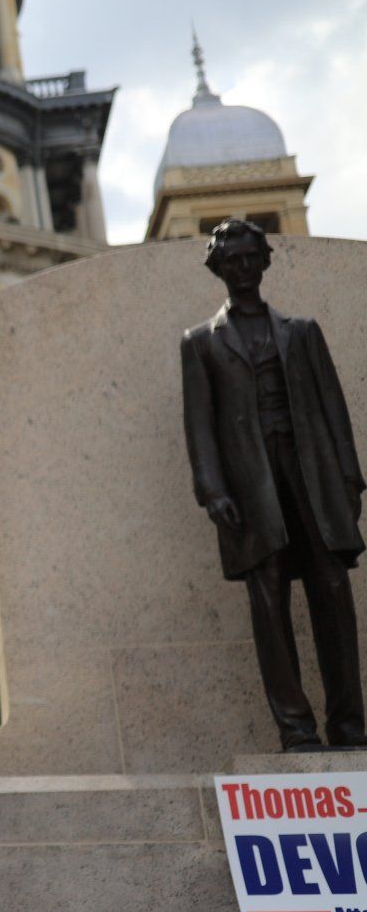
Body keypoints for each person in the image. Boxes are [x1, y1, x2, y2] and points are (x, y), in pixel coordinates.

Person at [181, 216, 367, 750]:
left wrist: (351, 481)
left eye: (249, 257)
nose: (241, 267)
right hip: (249, 488)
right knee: (268, 600)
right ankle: (296, 728)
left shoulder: (302, 332)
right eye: (231, 260)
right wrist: (212, 491)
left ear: (263, 262)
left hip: (312, 477)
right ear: (218, 268)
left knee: (332, 590)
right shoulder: (200, 343)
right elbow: (199, 426)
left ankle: (349, 725)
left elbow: (334, 410)